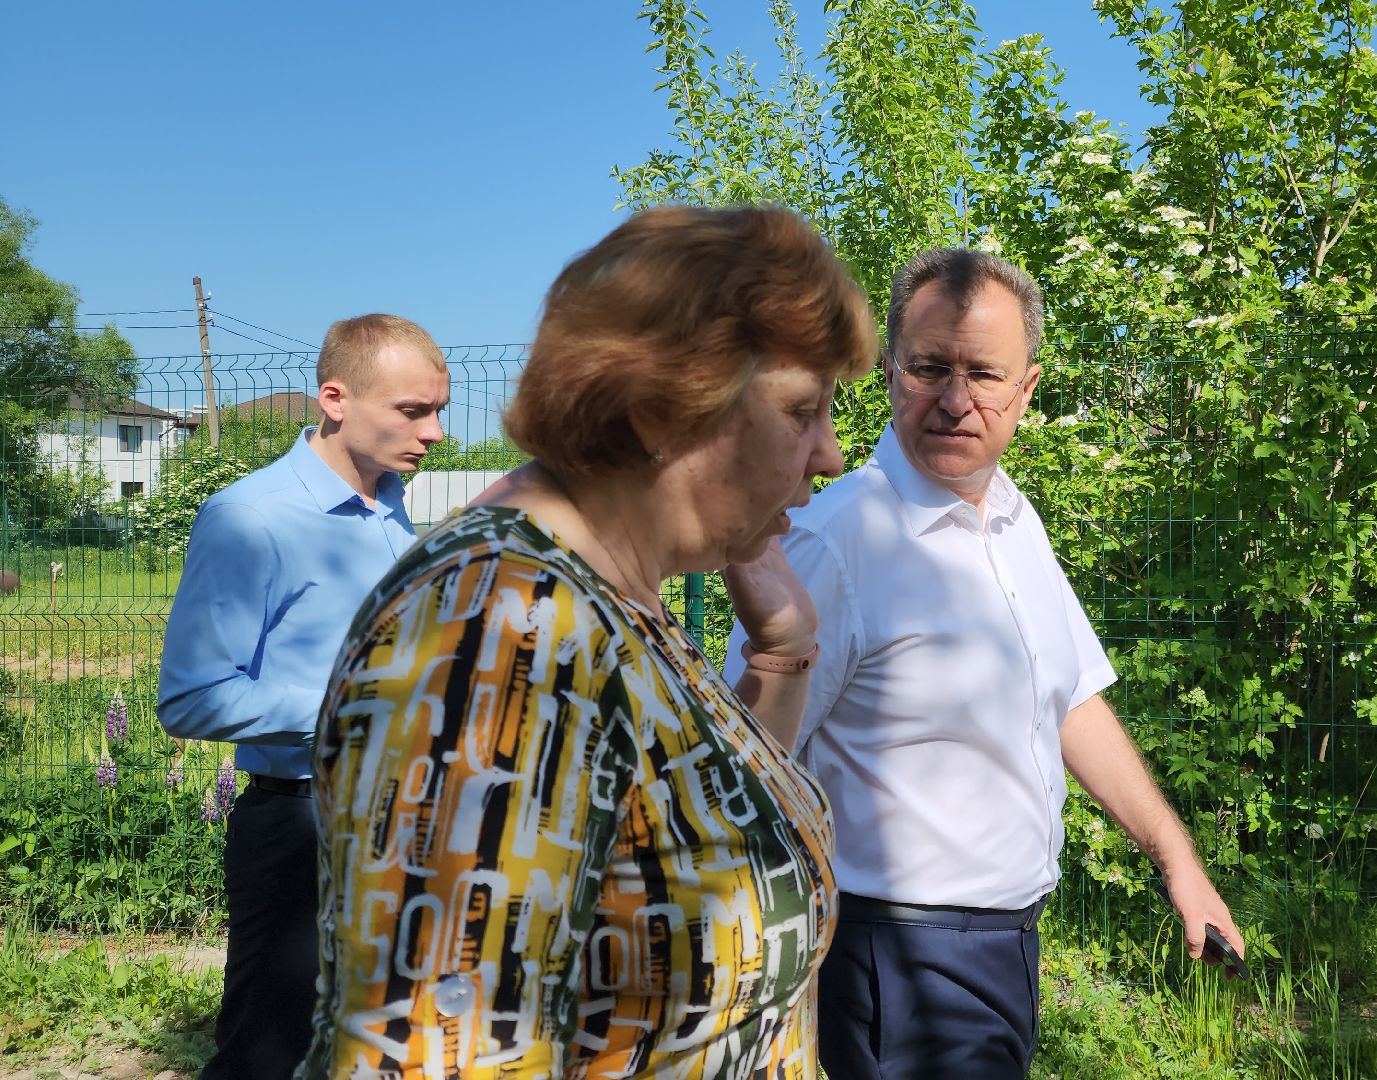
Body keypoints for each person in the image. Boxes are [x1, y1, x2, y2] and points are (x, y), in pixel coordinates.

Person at [297, 205, 877, 1078]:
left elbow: (696, 847)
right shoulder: (497, 630)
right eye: (802, 411)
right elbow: (439, 1056)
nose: (830, 455)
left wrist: (784, 646)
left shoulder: (605, 598)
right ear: (660, 408)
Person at [724, 248, 1246, 1079]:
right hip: (893, 957)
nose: (956, 400)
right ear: (890, 373)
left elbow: (1071, 701)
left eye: (983, 373)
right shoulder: (836, 541)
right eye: (930, 367)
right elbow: (747, 767)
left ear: (1026, 389)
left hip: (1006, 942)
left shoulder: (1011, 517)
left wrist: (1178, 864)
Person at [158, 314, 451, 1079]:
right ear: (334, 398)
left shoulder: (388, 501)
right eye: (413, 411)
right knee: (270, 1054)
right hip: (302, 830)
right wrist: (363, 697)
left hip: (405, 821)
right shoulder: (250, 517)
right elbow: (192, 698)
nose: (437, 432)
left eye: (438, 410)